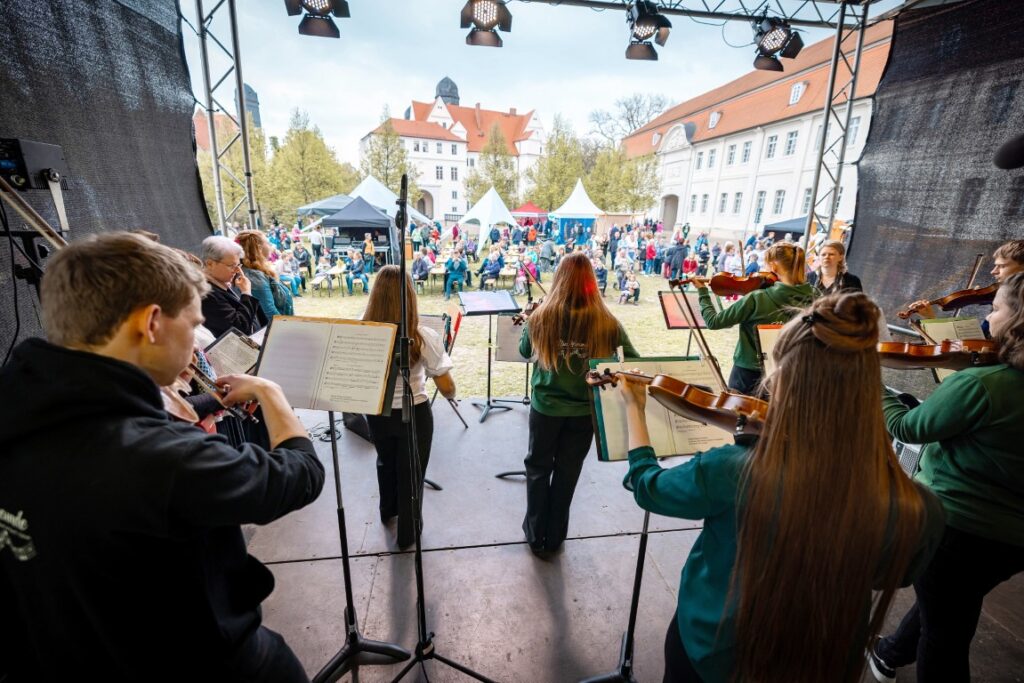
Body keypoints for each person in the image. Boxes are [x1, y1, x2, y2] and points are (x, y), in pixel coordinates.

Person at [0, 233, 325, 681]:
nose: (195, 344)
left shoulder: (19, 415)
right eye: (192, 325)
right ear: (152, 323)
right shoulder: (160, 457)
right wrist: (271, 394)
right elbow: (300, 475)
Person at [615, 292, 944, 683]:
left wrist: (634, 410)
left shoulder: (732, 471)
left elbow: (650, 487)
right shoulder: (916, 507)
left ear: (782, 379)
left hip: (715, 652)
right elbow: (888, 574)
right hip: (824, 661)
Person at [870, 272, 1024, 683]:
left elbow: (906, 426)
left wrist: (872, 381)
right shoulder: (986, 379)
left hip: (960, 526)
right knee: (951, 602)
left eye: (996, 308)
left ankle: (895, 655)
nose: (989, 318)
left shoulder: (983, 384)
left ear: (1019, 319)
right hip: (1012, 538)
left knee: (946, 638)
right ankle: (889, 653)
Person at [518, 253, 638, 555]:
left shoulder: (542, 316)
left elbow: (523, 350)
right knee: (568, 471)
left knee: (537, 467)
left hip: (546, 408)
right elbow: (634, 359)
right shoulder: (606, 321)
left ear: (558, 279)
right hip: (585, 411)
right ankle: (556, 535)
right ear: (591, 283)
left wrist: (529, 316)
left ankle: (535, 534)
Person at [362, 266, 455, 549]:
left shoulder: (362, 331)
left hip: (377, 412)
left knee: (385, 461)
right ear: (410, 297)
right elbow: (447, 387)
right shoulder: (423, 336)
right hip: (414, 411)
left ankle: (387, 510)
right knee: (412, 472)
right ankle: (408, 534)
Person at [693, 242, 815, 395]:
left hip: (747, 375)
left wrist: (703, 292)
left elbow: (714, 321)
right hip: (790, 374)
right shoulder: (816, 298)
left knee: (739, 417)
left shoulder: (757, 298)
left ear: (774, 267)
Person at [200, 235, 268, 337]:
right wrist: (246, 294)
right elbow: (240, 329)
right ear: (210, 264)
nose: (237, 271)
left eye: (238, 265)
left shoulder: (223, 283)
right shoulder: (207, 294)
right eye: (232, 266)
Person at [236, 230, 293, 318]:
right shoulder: (254, 276)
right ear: (258, 248)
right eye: (268, 243)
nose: (270, 246)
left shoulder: (256, 271)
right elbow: (270, 314)